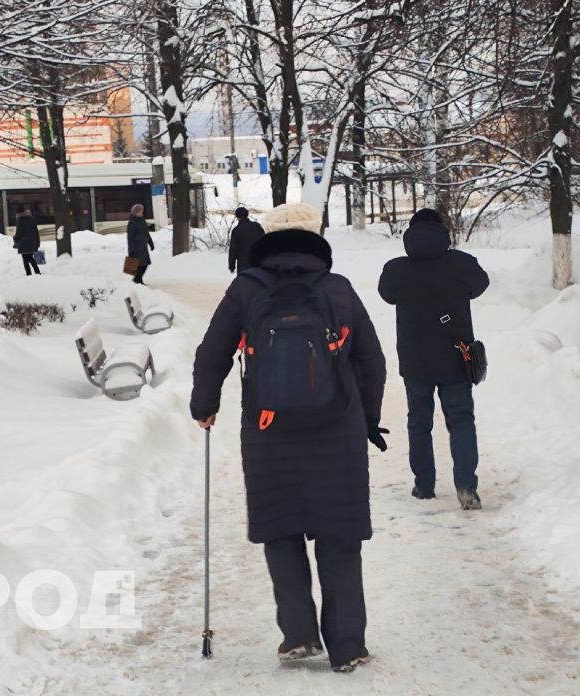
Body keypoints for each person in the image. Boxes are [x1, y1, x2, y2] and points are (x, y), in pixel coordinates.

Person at [190, 202, 387, 674]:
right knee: (339, 536)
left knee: (281, 530)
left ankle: (299, 635)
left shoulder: (246, 289)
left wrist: (205, 406)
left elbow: (211, 352)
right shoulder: (338, 290)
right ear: (315, 239)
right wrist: (366, 419)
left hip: (268, 430)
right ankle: (347, 645)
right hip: (336, 431)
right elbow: (372, 362)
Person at [377, 208, 489, 510]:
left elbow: (386, 294)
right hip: (456, 355)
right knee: (462, 420)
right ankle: (466, 486)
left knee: (419, 422)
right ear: (443, 232)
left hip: (416, 360)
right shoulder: (463, 263)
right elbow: (480, 285)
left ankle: (424, 486)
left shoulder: (396, 269)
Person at [227, 206, 265, 274]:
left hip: (244, 265)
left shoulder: (236, 231)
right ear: (247, 214)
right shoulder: (257, 226)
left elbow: (233, 250)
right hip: (259, 263)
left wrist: (231, 266)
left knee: (245, 283)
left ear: (237, 216)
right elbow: (265, 242)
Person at [127, 203, 155, 284]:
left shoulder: (142, 220)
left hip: (143, 247)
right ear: (136, 212)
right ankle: (137, 280)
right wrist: (131, 249)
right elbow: (130, 237)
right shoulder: (131, 222)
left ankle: (138, 280)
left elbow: (147, 233)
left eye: (142, 211)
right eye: (140, 211)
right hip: (136, 248)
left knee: (145, 264)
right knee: (139, 265)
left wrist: (151, 243)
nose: (142, 212)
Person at [13, 206, 42, 276]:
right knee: (30, 257)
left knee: (25, 259)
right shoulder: (31, 218)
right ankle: (37, 272)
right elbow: (36, 231)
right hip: (32, 242)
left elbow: (19, 232)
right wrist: (37, 242)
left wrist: (15, 238)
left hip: (24, 242)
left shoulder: (20, 220)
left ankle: (29, 274)